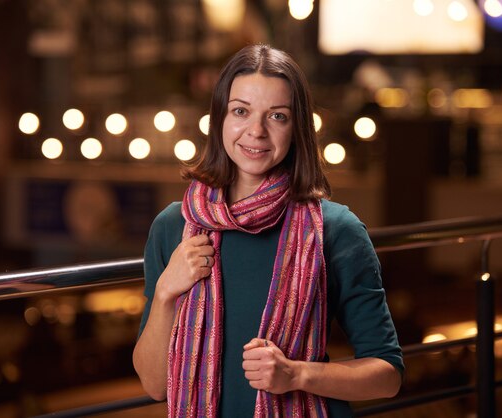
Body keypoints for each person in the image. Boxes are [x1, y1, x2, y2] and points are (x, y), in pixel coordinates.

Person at [133, 44, 403, 417]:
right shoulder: (173, 227)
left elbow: (386, 376)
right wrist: (165, 291)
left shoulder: (335, 230)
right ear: (220, 120)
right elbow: (153, 384)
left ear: (297, 128)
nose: (256, 131)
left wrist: (297, 374)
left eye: (277, 116)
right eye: (240, 111)